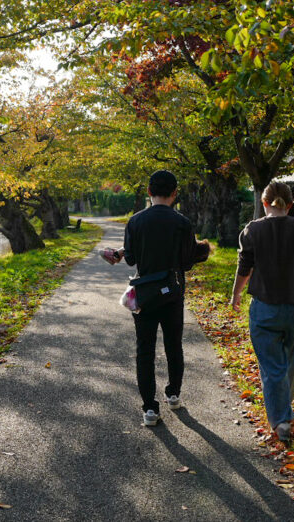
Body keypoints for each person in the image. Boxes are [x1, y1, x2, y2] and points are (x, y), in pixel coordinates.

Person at [230, 181, 294, 444]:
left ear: (264, 203)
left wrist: (236, 295)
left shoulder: (252, 229)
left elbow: (244, 267)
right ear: (291, 204)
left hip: (265, 310)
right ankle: (283, 409)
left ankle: (281, 420)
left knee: (273, 368)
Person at [101, 170, 199, 426]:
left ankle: (150, 409)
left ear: (148, 192)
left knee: (145, 350)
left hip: (144, 295)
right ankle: (173, 394)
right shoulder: (182, 222)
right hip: (173, 293)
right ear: (175, 193)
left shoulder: (135, 221)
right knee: (173, 345)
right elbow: (187, 263)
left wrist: (121, 253)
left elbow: (131, 259)